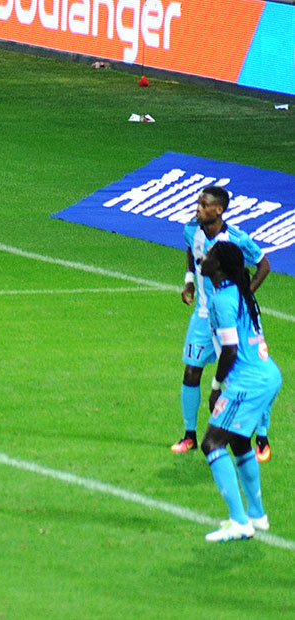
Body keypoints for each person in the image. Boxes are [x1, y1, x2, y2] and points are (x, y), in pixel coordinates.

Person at [173, 186, 271, 459]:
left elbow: (264, 264)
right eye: (198, 203)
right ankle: (189, 436)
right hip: (204, 316)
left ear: (219, 210)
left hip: (231, 316)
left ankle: (260, 436)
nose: (198, 208)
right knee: (191, 371)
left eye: (204, 205)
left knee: (243, 375)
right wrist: (189, 282)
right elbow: (192, 253)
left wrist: (245, 297)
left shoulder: (236, 239)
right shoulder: (191, 230)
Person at [198, 241, 281, 542]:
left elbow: (230, 350)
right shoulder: (240, 293)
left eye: (210, 256)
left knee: (211, 443)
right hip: (266, 373)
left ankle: (239, 521)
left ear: (218, 266)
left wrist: (216, 387)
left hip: (248, 381)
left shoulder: (223, 299)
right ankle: (257, 516)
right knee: (239, 441)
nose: (204, 258)